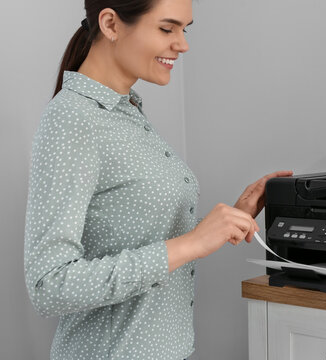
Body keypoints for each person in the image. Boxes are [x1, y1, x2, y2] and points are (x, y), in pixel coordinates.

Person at [23, 0, 292, 359]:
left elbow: (139, 238)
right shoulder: (72, 119)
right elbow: (49, 285)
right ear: (111, 24)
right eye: (167, 29)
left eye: (185, 29)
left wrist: (229, 218)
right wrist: (194, 242)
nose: (183, 44)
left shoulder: (126, 110)